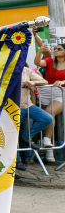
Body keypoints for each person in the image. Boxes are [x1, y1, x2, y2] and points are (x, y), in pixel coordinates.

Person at [32, 27, 65, 162]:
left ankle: (48, 144)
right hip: (45, 91)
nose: (55, 50)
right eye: (55, 49)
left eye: (59, 49)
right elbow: (37, 62)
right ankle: (36, 148)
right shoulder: (50, 61)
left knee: (49, 113)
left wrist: (63, 81)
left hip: (60, 92)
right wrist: (39, 49)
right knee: (39, 119)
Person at [18, 65, 52, 170]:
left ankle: (27, 136)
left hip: (28, 105)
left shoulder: (26, 70)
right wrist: (23, 84)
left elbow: (45, 81)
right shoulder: (6, 69)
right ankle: (17, 160)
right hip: (13, 107)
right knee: (13, 134)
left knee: (47, 118)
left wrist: (32, 82)